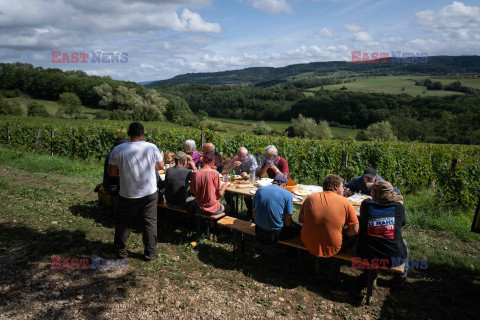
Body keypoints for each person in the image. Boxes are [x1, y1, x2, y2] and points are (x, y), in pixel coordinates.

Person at [107, 122, 163, 261]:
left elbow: (111, 172)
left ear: (128, 134)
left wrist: (123, 172)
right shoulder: (151, 147)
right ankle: (151, 252)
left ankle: (120, 250)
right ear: (142, 134)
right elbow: (161, 166)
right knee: (150, 222)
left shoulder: (118, 149)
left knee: (123, 222)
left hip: (128, 192)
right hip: (149, 192)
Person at [299, 174, 359, 278]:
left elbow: (300, 219)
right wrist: (343, 232)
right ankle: (334, 267)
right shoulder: (346, 202)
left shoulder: (310, 198)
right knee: (353, 238)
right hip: (333, 247)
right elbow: (355, 230)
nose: (343, 190)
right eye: (342, 187)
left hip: (307, 242)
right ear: (336, 187)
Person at [357, 180, 408, 288]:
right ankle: (400, 279)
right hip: (393, 258)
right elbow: (402, 223)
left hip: (366, 255)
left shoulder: (366, 205)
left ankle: (368, 275)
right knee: (405, 245)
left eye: (371, 190)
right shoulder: (399, 207)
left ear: (376, 193)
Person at [253, 174, 300, 244]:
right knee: (298, 228)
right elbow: (288, 223)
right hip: (275, 234)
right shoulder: (288, 195)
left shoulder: (259, 190)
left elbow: (254, 213)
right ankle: (292, 251)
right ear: (284, 185)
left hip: (258, 230)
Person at [223, 147, 258, 217]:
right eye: (239, 156)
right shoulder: (235, 159)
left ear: (247, 155)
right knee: (227, 193)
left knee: (247, 195)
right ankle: (232, 211)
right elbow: (224, 171)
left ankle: (250, 212)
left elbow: (257, 173)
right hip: (237, 182)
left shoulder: (251, 159)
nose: (241, 158)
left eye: (243, 156)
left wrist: (248, 175)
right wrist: (232, 165)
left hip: (249, 182)